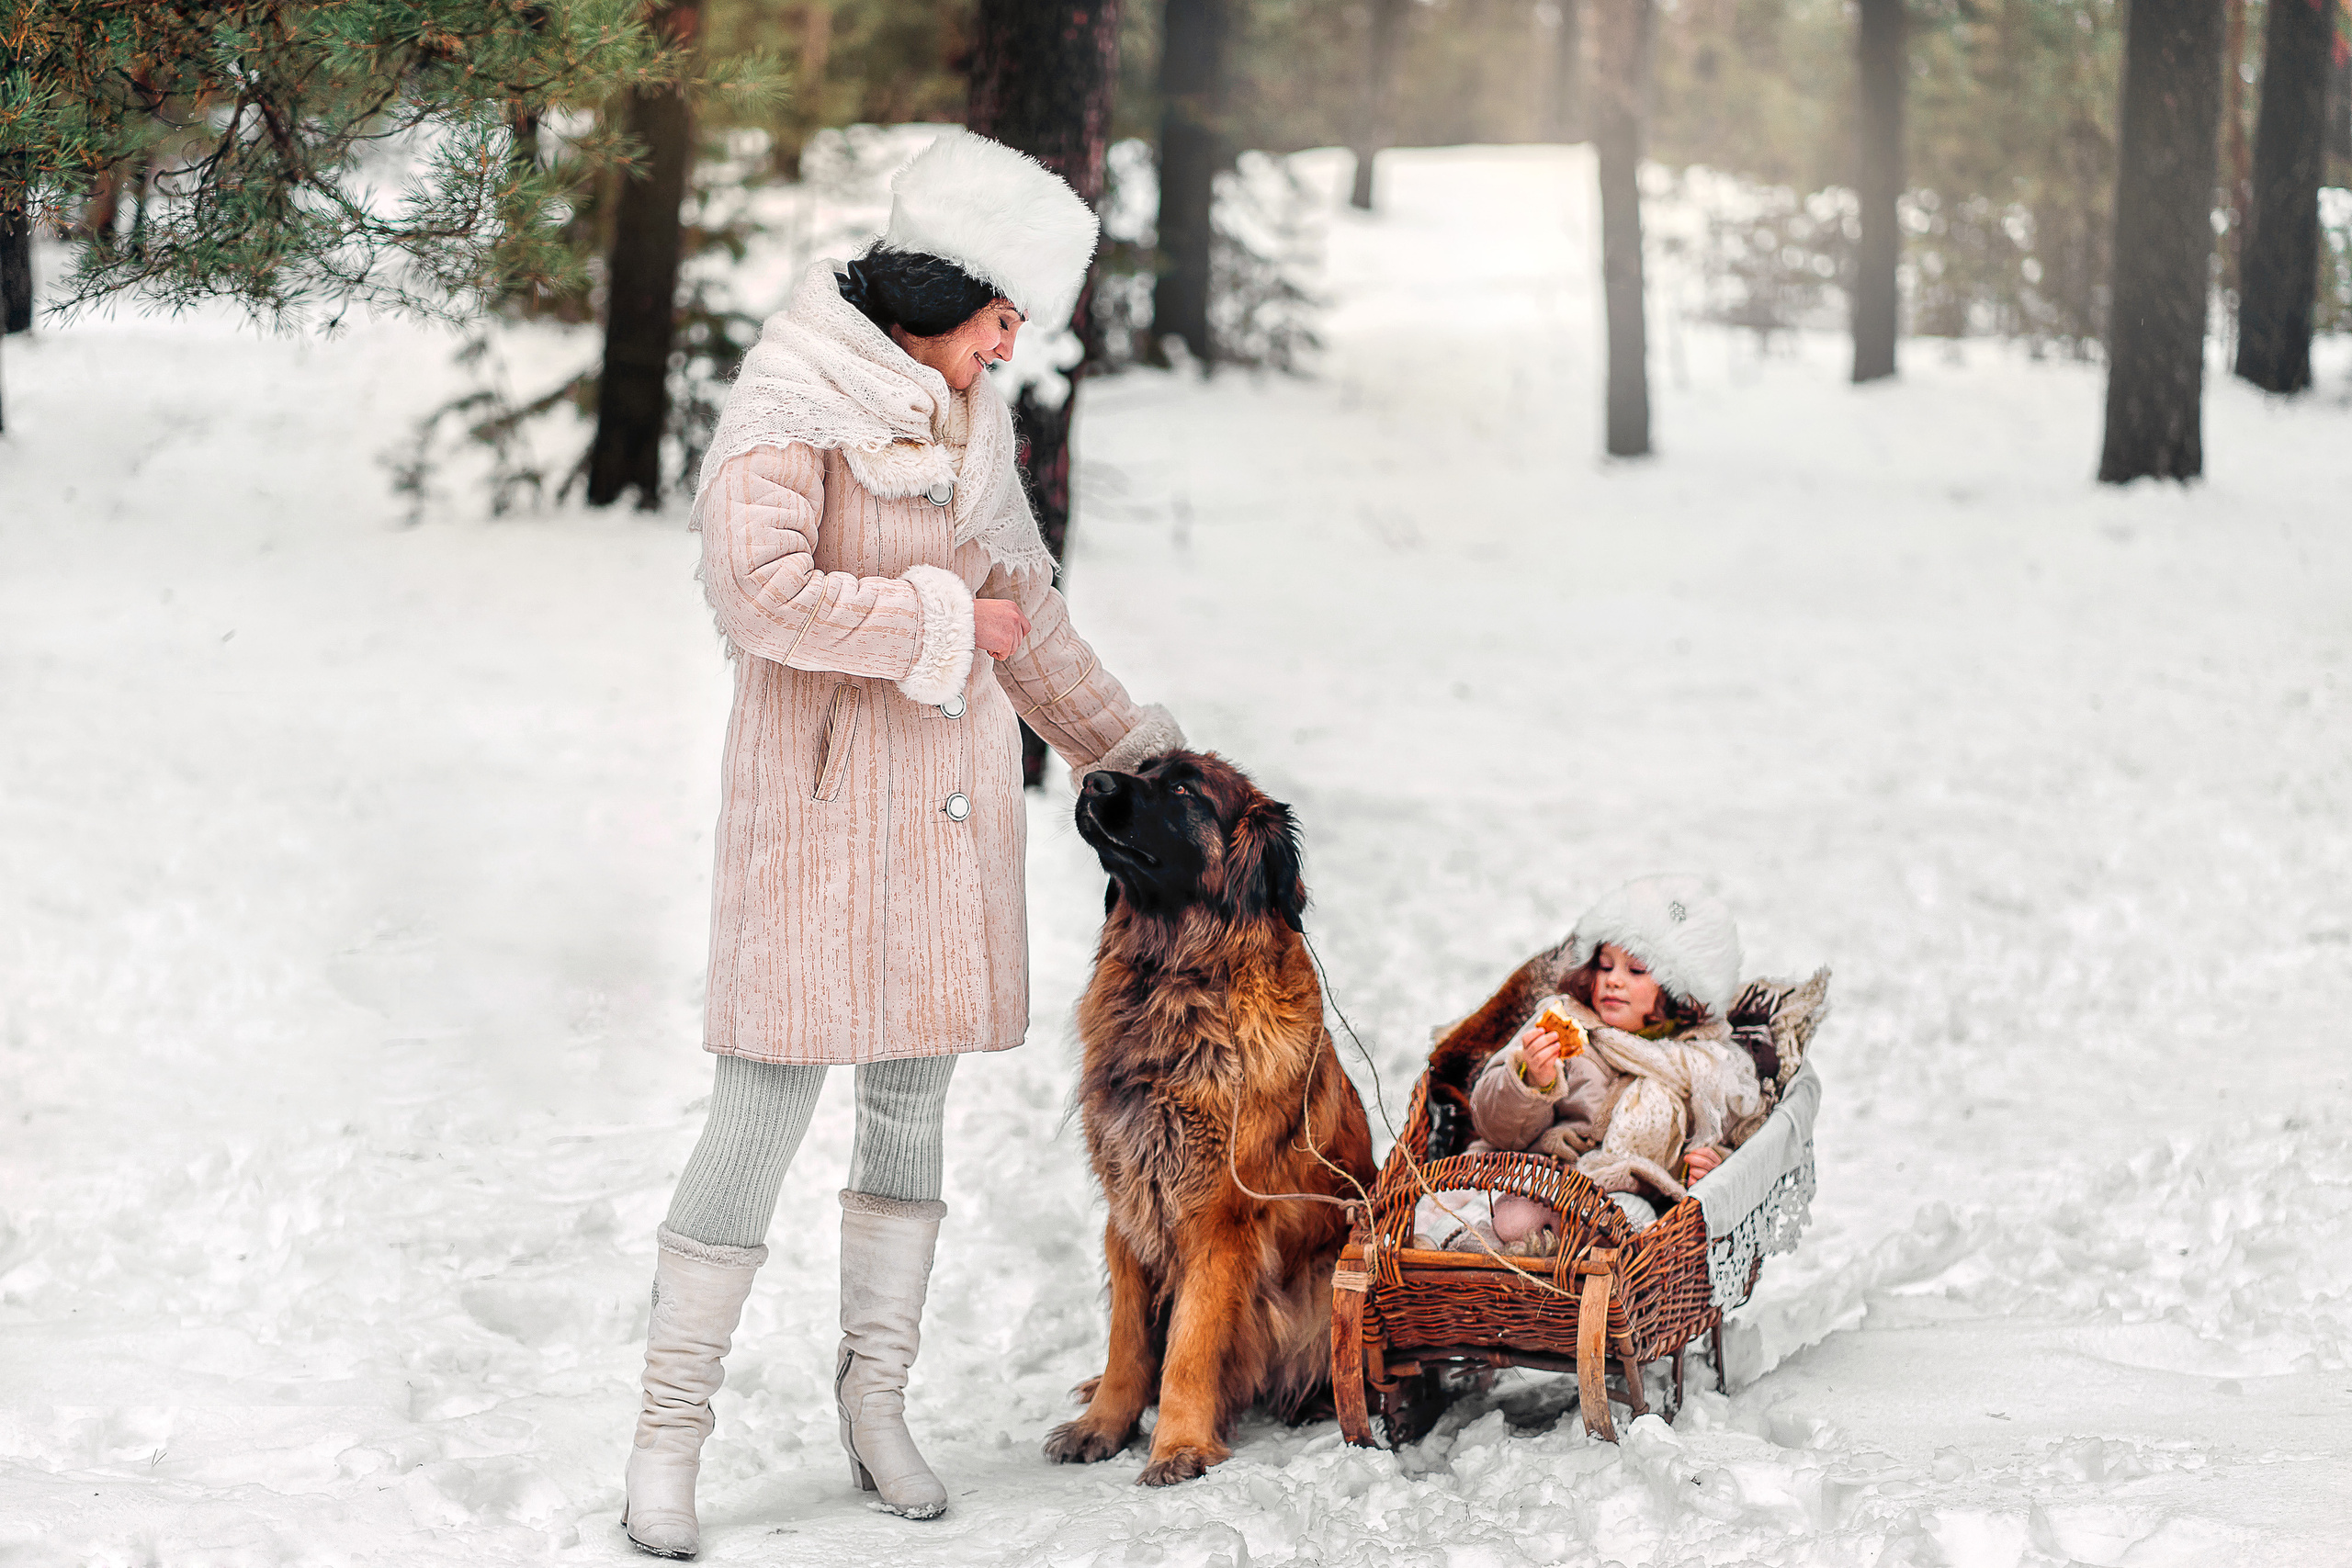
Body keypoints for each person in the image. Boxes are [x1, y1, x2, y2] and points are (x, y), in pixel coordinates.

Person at [620, 130, 1184, 1559]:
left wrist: (1143, 759)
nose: (1011, 346)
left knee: (907, 1111)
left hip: (937, 826)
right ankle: (666, 1434)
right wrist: (942, 624)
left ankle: (878, 1404)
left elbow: (1030, 615)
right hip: (811, 822)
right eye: (1003, 315)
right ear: (950, 285)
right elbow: (756, 589)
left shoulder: (969, 421)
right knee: (755, 1120)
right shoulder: (792, 396)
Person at [1447, 876, 1765, 1249]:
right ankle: (1477, 1254)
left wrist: (1710, 1168)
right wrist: (1531, 1081)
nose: (1613, 981)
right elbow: (1496, 1127)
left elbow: (1725, 1138)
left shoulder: (1703, 1062)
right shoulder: (1561, 1023)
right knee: (1515, 1217)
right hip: (1545, 1176)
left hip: (1635, 1198)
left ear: (1677, 989)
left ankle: (1574, 1270)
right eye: (1605, 965)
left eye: (1635, 970)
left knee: (1621, 1226)